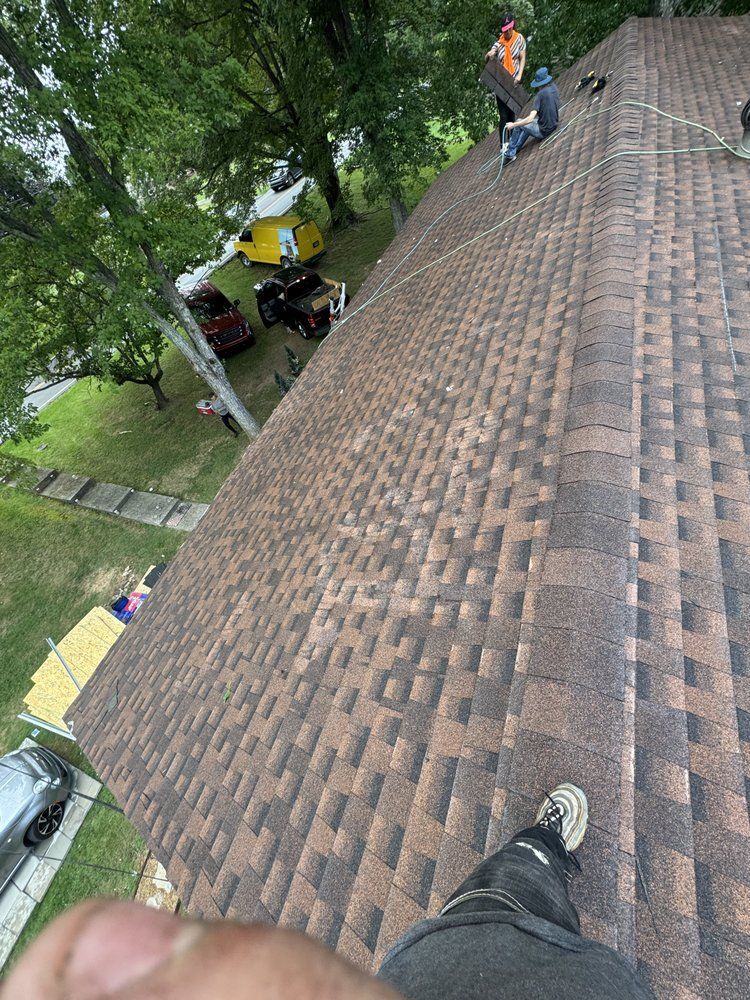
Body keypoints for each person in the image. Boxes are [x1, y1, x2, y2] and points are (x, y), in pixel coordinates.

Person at [4, 783, 654, 1000]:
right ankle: (539, 849)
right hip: (524, 969)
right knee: (514, 890)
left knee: (485, 905)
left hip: (434, 963)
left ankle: (528, 864)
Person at [503, 65, 560, 164]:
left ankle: (510, 154)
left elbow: (530, 119)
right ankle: (516, 148)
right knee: (525, 126)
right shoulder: (554, 87)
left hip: (544, 130)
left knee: (518, 122)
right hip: (553, 124)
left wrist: (513, 125)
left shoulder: (540, 95)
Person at [484, 13, 527, 144]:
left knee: (512, 113)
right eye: (505, 30)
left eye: (509, 28)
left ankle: (513, 141)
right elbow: (487, 58)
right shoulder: (499, 43)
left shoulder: (519, 38)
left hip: (513, 80)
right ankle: (503, 144)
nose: (507, 32)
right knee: (503, 115)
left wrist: (519, 75)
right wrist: (489, 54)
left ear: (512, 26)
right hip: (502, 83)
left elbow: (522, 58)